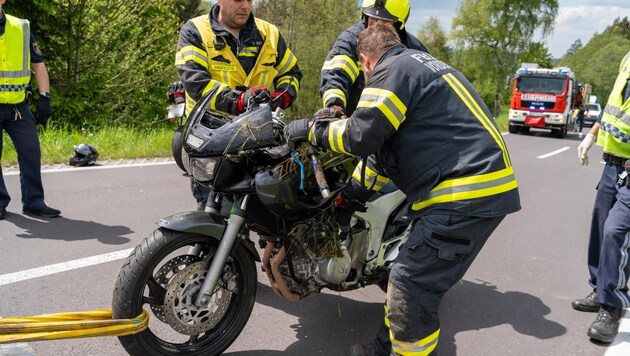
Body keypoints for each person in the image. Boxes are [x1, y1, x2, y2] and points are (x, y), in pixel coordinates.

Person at [285, 24, 521, 356]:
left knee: (410, 286)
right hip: (478, 187)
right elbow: (382, 154)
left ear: (366, 62)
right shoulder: (419, 64)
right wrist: (351, 196)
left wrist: (313, 130)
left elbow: (358, 137)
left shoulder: (390, 70)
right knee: (405, 277)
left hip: (463, 196)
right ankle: (381, 349)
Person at [174, 0, 302, 210]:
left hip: (256, 141)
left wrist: (282, 97)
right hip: (210, 140)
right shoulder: (195, 30)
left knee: (262, 215)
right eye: (237, 0)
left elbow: (291, 72)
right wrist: (240, 101)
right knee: (212, 214)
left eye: (249, 0)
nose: (245, 6)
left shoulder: (270, 33)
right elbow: (195, 82)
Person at [572, 48, 630, 343]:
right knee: (599, 225)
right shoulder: (628, 58)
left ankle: (613, 305)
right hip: (613, 162)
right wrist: (592, 134)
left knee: (615, 232)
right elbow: (613, 105)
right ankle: (599, 288)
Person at [0, 0, 60, 219]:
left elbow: (38, 64)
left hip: (18, 106)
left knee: (31, 152)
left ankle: (34, 202)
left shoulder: (21, 27)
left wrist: (45, 97)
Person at [319, 0, 428, 117]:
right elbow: (335, 75)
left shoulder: (414, 48)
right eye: (373, 19)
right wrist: (334, 106)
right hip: (354, 120)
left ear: (397, 25)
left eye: (384, 22)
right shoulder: (350, 42)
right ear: (365, 17)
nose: (377, 25)